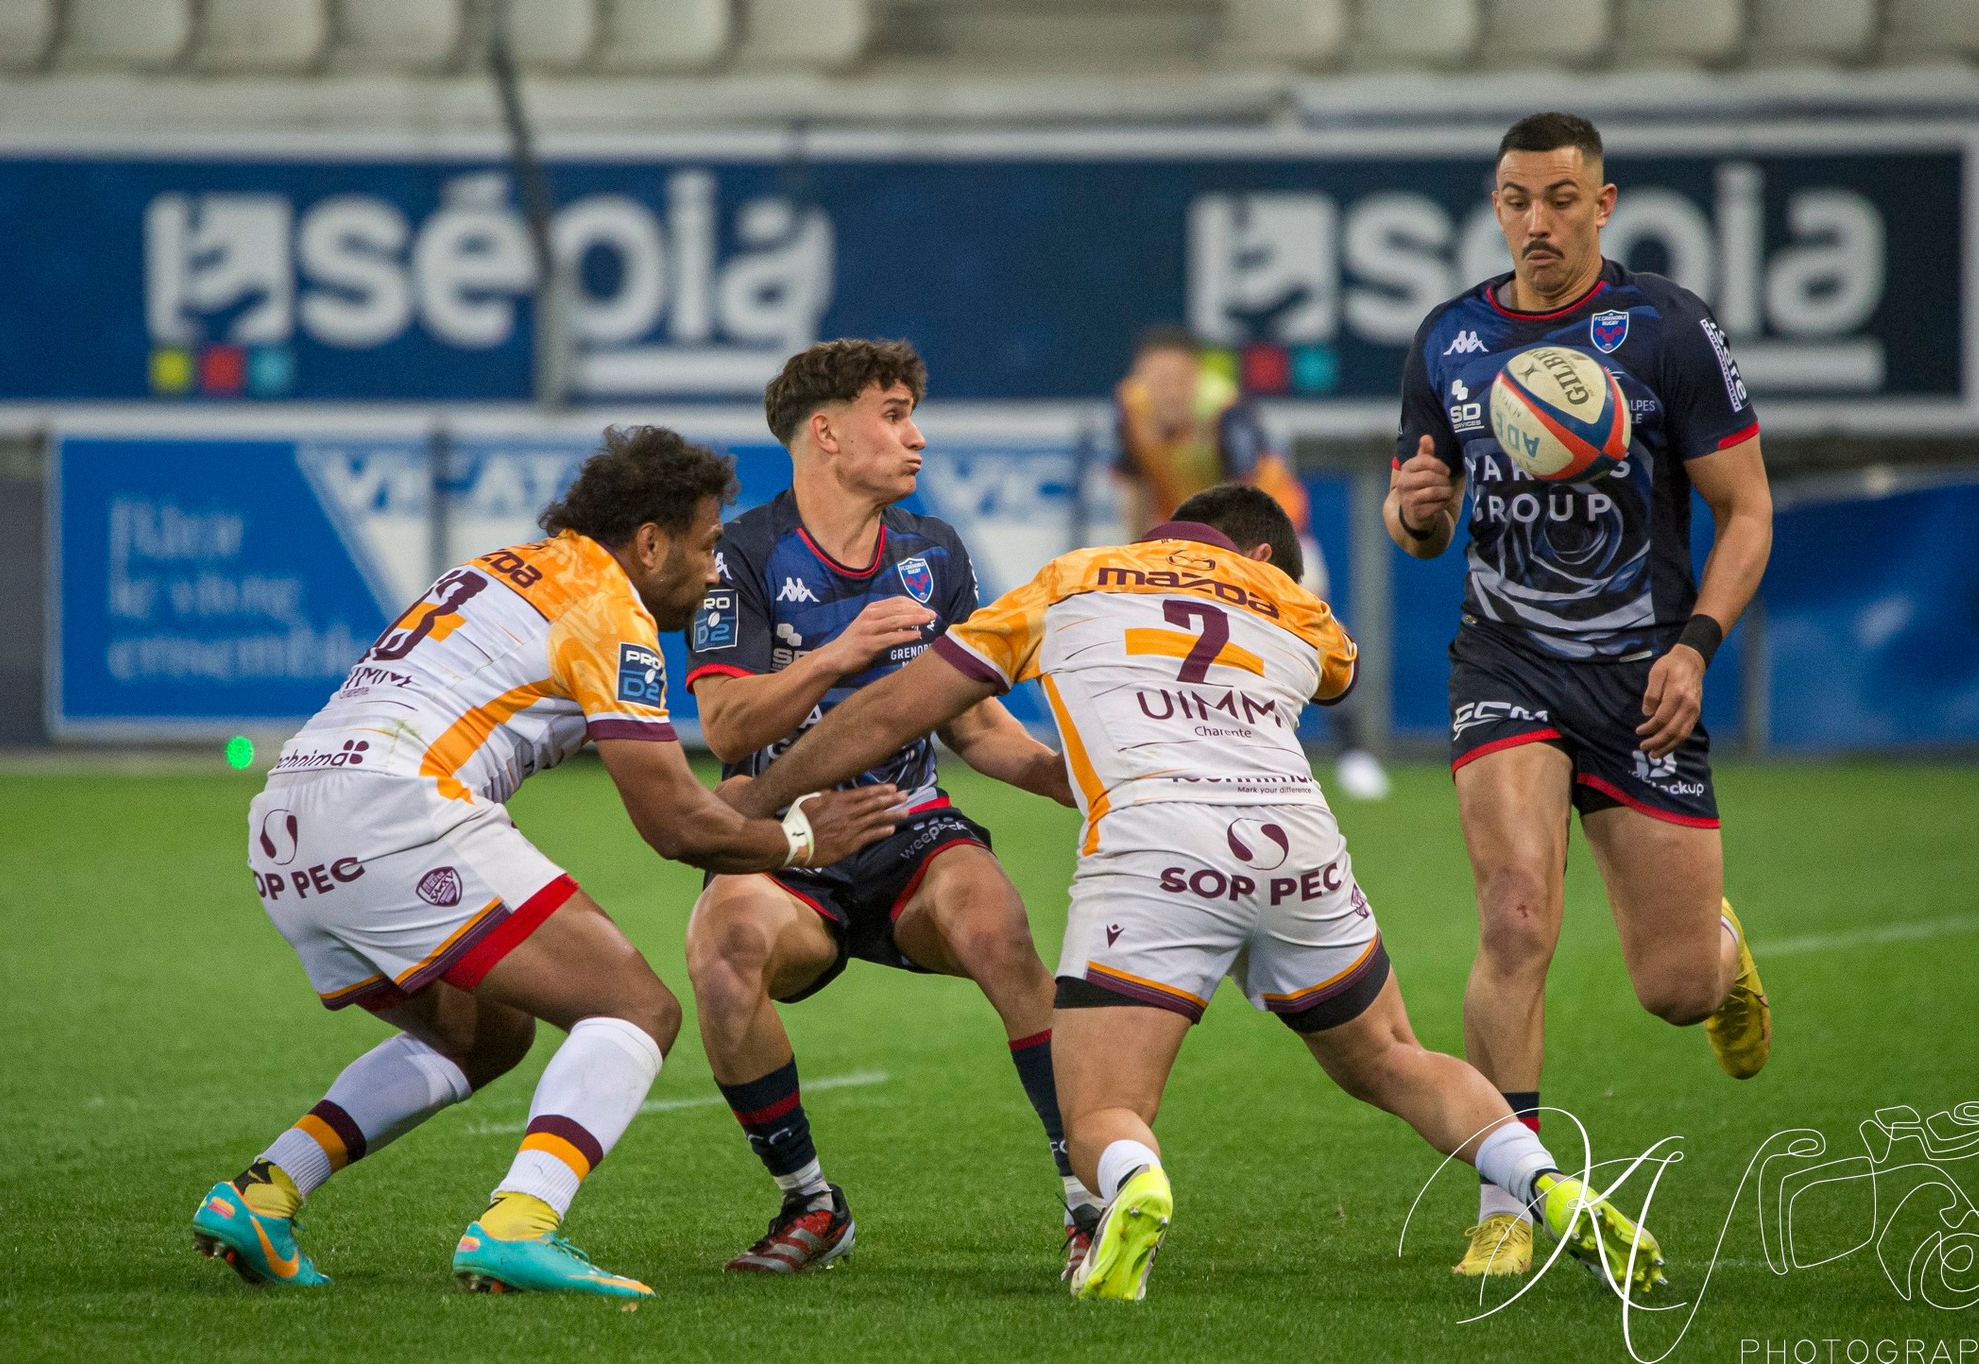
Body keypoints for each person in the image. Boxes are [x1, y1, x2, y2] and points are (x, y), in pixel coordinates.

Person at [725, 483, 1668, 1303]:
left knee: (1100, 1114)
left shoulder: (1069, 578)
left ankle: (1133, 1189)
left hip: (1156, 845)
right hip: (1296, 841)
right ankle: (1544, 1184)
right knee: (1394, 1058)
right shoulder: (1295, 607)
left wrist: (759, 800)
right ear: (1260, 555)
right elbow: (1335, 675)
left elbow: (897, 708)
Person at [189, 427, 899, 1299]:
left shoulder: (503, 568)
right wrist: (800, 842)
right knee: (634, 1009)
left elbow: (677, 801)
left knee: (482, 1033)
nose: (717, 571)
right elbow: (676, 827)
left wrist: (763, 808)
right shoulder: (609, 608)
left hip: (284, 824)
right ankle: (519, 1223)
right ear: (649, 540)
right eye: (709, 544)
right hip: (395, 807)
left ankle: (265, 1192)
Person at [1384, 111, 1774, 1278]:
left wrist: (1694, 644)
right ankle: (1509, 1194)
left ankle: (1718, 951)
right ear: (1493, 204)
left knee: (1670, 986)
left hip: (1642, 674)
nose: (1536, 221)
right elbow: (1419, 519)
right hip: (1503, 662)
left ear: (1602, 206)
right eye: (1515, 199)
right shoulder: (1448, 338)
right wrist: (1413, 511)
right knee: (1513, 913)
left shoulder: (1664, 330)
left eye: (1560, 199)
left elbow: (1746, 510)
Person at [681, 339, 1102, 1278]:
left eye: (912, 412)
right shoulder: (741, 555)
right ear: (826, 432)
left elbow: (981, 729)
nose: (916, 437)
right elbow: (723, 721)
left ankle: (1088, 1203)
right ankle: (811, 1203)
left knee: (997, 926)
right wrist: (835, 656)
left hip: (913, 829)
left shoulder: (933, 550)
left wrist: (1085, 790)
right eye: (895, 412)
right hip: (791, 841)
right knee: (722, 950)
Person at [1115, 324, 1388, 799]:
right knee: (1173, 641)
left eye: (1177, 378)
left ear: (1196, 377)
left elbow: (1246, 497)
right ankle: (1183, 756)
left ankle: (1353, 752)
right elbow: (1136, 485)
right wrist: (1135, 556)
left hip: (1270, 529)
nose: (1167, 390)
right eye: (1155, 378)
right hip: (1188, 538)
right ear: (1140, 378)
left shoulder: (1224, 410)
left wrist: (1241, 568)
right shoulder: (1128, 407)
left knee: (1311, 627)